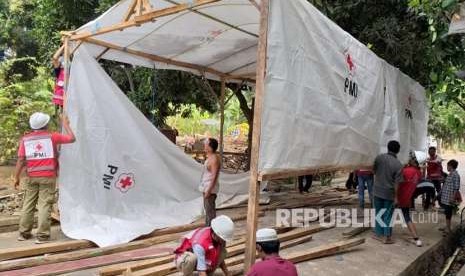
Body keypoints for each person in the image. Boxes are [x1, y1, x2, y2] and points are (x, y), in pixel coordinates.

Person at [14, 112, 75, 243]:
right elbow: (71, 139)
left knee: (28, 204)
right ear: (46, 124)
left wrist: (16, 177)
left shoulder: (25, 139)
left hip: (31, 177)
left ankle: (24, 234)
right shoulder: (52, 137)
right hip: (48, 177)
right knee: (44, 205)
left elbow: (20, 160)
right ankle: (42, 236)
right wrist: (65, 124)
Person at [372, 140, 403, 244]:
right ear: (398, 150)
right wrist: (396, 198)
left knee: (378, 213)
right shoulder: (398, 165)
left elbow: (374, 171)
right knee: (388, 215)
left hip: (377, 190)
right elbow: (397, 184)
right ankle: (386, 237)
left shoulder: (379, 158)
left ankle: (378, 234)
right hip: (388, 193)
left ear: (388, 148)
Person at [397, 152, 425, 247]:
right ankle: (416, 239)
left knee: (387, 214)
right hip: (408, 198)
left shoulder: (404, 170)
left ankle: (385, 235)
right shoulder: (418, 173)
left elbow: (396, 182)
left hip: (398, 196)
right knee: (407, 217)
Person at [199, 138, 221, 226]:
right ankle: (208, 229)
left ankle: (211, 230)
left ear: (210, 148)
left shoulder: (214, 159)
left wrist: (209, 190)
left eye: (206, 144)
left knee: (210, 212)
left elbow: (214, 176)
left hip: (210, 189)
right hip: (207, 187)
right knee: (208, 210)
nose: (204, 146)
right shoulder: (210, 157)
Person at [440, 159, 461, 235]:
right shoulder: (451, 174)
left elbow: (456, 188)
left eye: (448, 166)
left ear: (451, 166)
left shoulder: (455, 175)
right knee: (446, 212)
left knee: (448, 212)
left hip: (449, 198)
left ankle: (448, 229)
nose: (447, 167)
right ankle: (447, 226)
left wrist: (453, 197)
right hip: (446, 197)